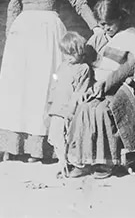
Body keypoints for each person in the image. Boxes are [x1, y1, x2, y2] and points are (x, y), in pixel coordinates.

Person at [0, 0, 100, 162]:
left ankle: (37, 148)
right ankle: (13, 146)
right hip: (22, 37)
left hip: (48, 36)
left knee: (42, 88)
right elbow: (13, 7)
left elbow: (78, 1)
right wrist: (10, 34)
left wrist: (96, 27)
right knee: (19, 88)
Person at [64, 0, 135, 178]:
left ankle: (105, 161)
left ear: (119, 19)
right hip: (101, 86)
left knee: (100, 111)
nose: (106, 29)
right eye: (102, 25)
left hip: (122, 86)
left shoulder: (130, 36)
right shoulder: (101, 37)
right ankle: (82, 160)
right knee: (84, 108)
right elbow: (91, 59)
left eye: (110, 25)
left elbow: (129, 67)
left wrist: (105, 84)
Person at [46, 31, 94, 178]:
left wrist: (71, 110)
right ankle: (62, 163)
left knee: (68, 136)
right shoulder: (63, 66)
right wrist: (51, 100)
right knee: (56, 136)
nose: (69, 58)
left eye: (72, 54)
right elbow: (55, 82)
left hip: (69, 108)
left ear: (80, 52)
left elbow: (80, 91)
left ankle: (74, 164)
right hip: (57, 107)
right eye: (66, 54)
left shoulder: (84, 69)